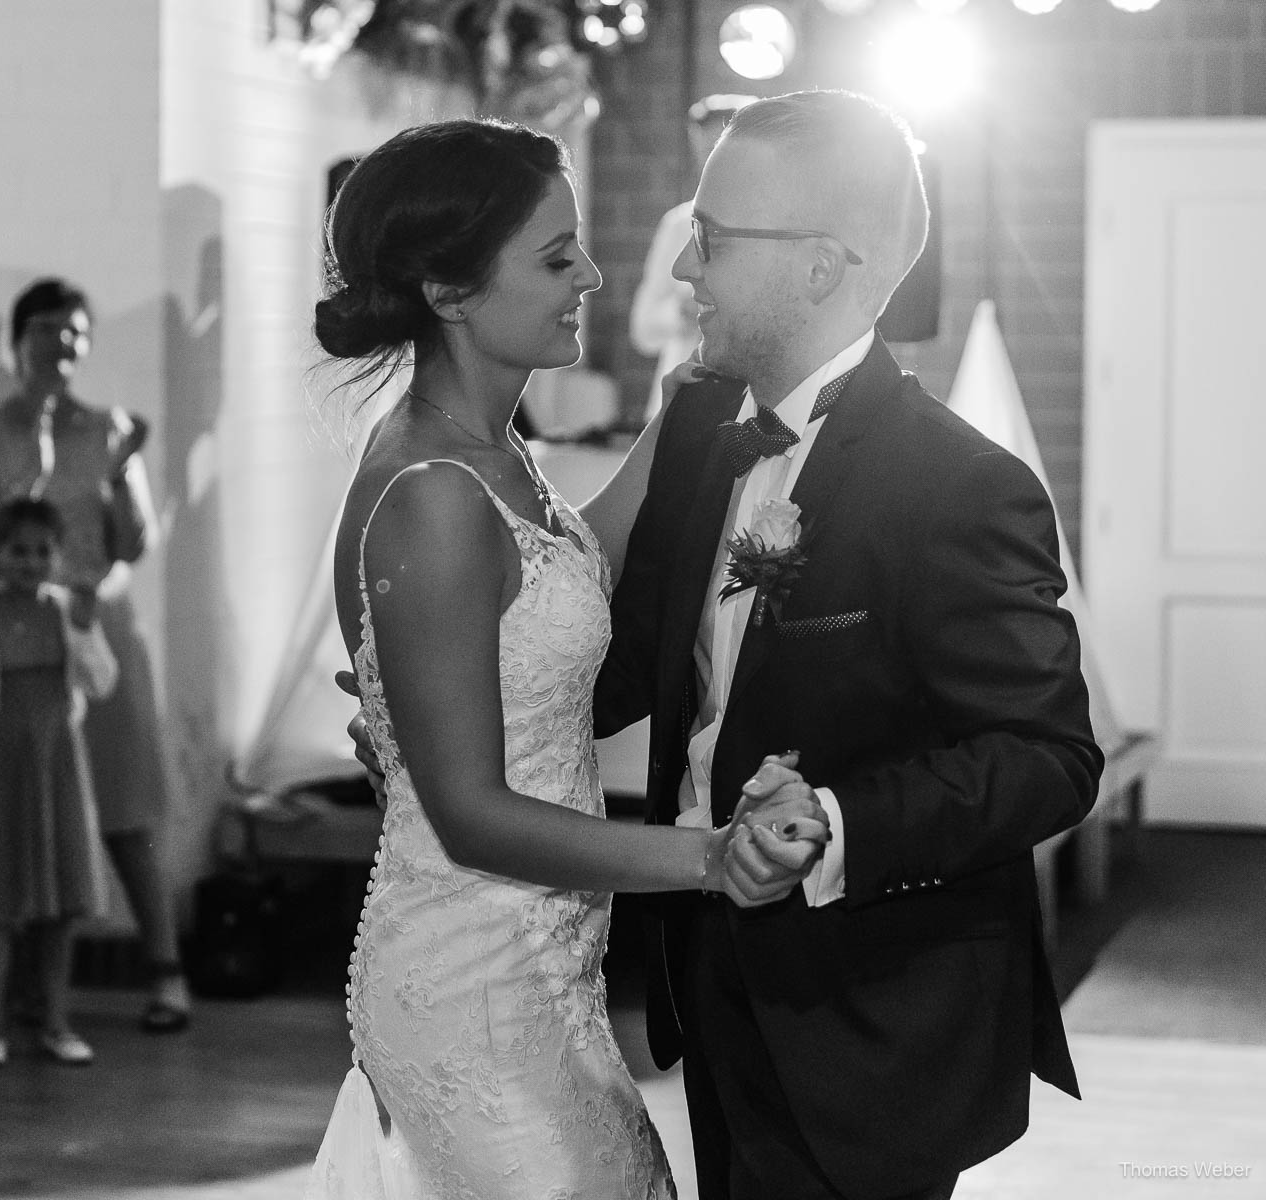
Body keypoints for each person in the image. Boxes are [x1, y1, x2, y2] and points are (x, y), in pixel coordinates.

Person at [304, 118, 828, 1198]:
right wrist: (709, 856)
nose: (590, 274)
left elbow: (555, 570)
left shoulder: (493, 454)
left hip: (548, 979)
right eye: (556, 258)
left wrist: (669, 428)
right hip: (472, 989)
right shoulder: (433, 495)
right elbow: (470, 812)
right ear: (449, 291)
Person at [593, 90, 1102, 1200]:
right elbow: (627, 664)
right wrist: (441, 705)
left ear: (822, 267)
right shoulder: (697, 430)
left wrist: (834, 822)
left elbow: (1048, 757)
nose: (685, 269)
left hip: (875, 1016)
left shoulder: (958, 486)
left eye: (712, 240)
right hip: (707, 972)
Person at [0, 278, 190, 1033]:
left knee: (122, 805)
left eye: (75, 332)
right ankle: (25, 991)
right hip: (22, 632)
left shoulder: (110, 427)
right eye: (47, 328)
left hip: (95, 623)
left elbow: (137, 542)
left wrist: (119, 474)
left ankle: (165, 970)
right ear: (15, 340)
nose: (62, 343)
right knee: (27, 801)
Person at [0, 497, 119, 1066]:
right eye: (18, 550)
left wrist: (86, 631)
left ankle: (57, 1022)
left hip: (57, 759)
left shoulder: (67, 609)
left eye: (42, 551)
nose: (31, 561)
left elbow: (101, 682)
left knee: (60, 905)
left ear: (58, 556)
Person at [629, 93, 757, 415]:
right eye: (704, 145)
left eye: (720, 144)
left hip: (749, 401)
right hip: (677, 404)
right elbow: (642, 330)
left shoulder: (775, 226)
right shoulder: (676, 224)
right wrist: (680, 313)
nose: (710, 157)